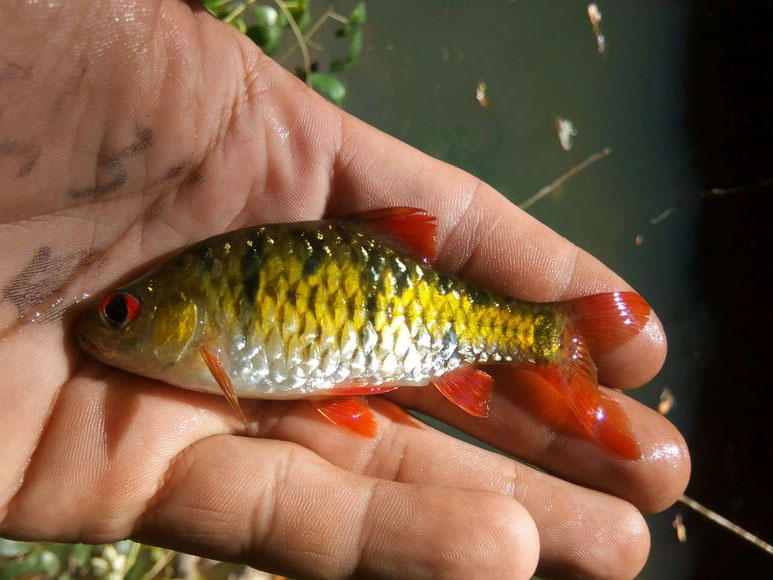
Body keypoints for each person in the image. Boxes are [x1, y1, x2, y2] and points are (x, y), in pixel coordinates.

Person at [0, 2, 689, 578]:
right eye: (120, 312)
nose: (110, 322)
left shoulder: (203, 315)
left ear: (180, 313)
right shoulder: (196, 309)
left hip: (405, 313)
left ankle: (552, 334)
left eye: (122, 312)